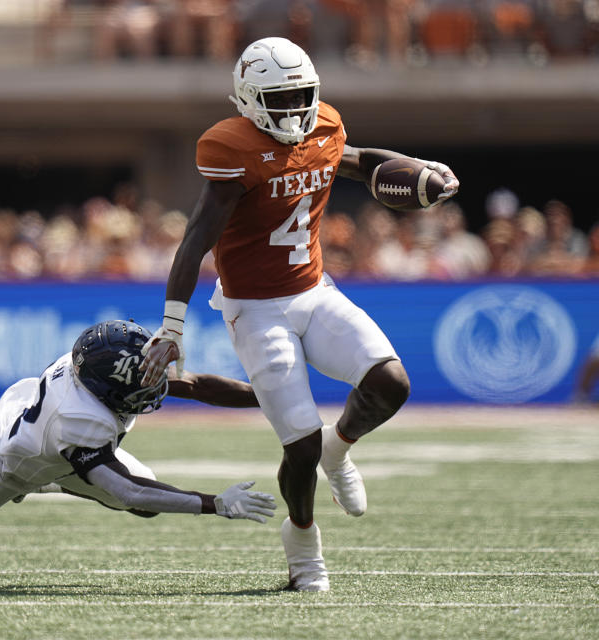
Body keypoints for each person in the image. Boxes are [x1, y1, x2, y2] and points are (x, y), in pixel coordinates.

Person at [139, 37, 459, 591]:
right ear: (246, 98)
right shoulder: (229, 147)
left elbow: (356, 161)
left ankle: (341, 448)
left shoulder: (325, 125)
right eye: (278, 100)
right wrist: (171, 325)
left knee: (391, 383)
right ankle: (303, 541)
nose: (293, 112)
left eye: (300, 97)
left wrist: (417, 170)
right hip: (255, 310)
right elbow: (194, 242)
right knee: (298, 441)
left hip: (313, 291)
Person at [0, 320, 277, 530]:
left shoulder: (96, 367)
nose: (157, 387)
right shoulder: (81, 420)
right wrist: (214, 503)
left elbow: (195, 384)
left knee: (146, 506)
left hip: (59, 452)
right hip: (3, 459)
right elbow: (126, 488)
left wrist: (266, 397)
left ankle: (62, 478)